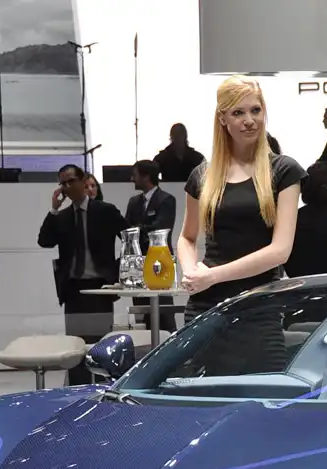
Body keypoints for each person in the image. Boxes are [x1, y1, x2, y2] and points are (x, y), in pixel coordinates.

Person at [176, 75, 305, 372]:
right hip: (206, 308)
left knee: (263, 392)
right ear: (223, 119)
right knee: (199, 395)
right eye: (238, 112)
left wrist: (212, 276)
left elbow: (280, 251)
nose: (249, 120)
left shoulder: (284, 171)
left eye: (255, 110)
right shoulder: (202, 176)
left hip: (258, 307)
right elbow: (187, 237)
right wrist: (191, 271)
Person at [38, 163, 128, 385]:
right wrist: (53, 209)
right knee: (76, 346)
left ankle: (104, 388)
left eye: (71, 181)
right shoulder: (62, 216)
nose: (68, 187)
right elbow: (44, 241)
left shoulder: (105, 211)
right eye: (63, 183)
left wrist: (118, 270)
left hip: (100, 286)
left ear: (82, 181)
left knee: (101, 344)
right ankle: (78, 389)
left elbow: (129, 238)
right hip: (73, 288)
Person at [125, 159, 178, 332]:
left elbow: (161, 228)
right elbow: (127, 229)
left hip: (159, 262)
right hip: (138, 263)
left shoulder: (166, 200)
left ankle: (169, 339)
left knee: (163, 308)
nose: (132, 179)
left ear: (146, 176)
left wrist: (138, 229)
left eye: (135, 175)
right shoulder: (133, 202)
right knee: (141, 309)